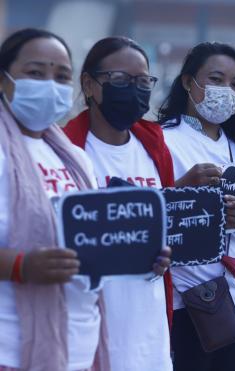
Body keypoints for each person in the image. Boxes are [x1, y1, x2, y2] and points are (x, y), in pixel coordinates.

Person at [64, 36, 173, 371]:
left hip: (150, 324)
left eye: (143, 81)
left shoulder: (154, 147)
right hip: (91, 324)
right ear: (89, 84)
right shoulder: (68, 151)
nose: (135, 90)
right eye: (121, 81)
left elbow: (165, 221)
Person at [0, 28, 105, 371]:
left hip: (77, 349)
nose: (50, 84)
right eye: (35, 73)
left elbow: (98, 238)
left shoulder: (76, 159)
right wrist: (21, 266)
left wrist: (140, 254)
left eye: (61, 76)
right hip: (12, 350)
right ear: (4, 80)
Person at [158, 42, 235, 371]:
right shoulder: (163, 140)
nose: (227, 91)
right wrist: (184, 192)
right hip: (190, 300)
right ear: (188, 82)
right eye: (216, 79)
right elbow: (145, 211)